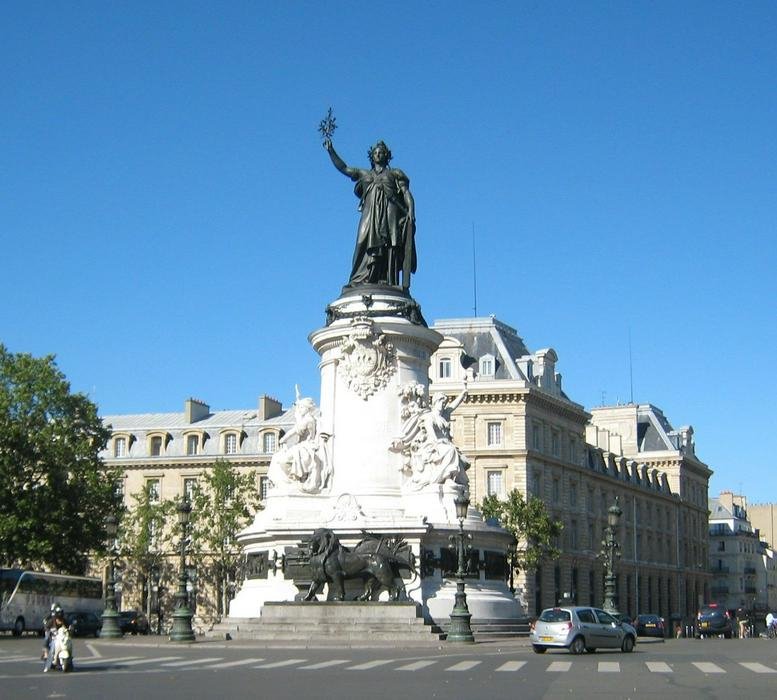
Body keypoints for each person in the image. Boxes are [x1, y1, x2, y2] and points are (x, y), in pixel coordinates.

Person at [324, 138, 416, 289]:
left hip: (389, 216)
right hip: (369, 216)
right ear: (371, 156)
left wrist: (411, 210)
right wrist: (331, 151)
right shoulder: (364, 174)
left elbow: (406, 194)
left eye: (381, 153)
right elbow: (344, 168)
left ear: (387, 156)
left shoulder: (395, 174)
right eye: (375, 153)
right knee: (361, 243)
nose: (378, 155)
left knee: (389, 248)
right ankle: (360, 278)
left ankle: (385, 280)